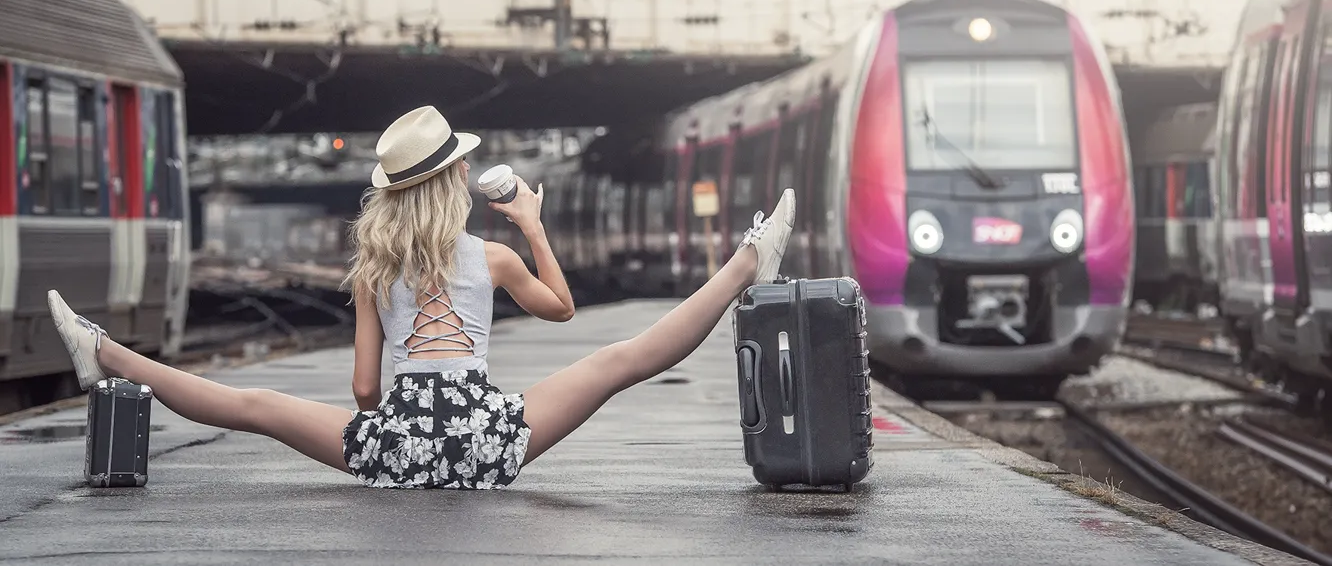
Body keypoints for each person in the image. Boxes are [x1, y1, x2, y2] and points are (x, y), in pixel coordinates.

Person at [46, 105, 796, 490]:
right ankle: (745, 264)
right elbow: (562, 309)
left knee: (252, 406)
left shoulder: (374, 268)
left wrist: (391, 431)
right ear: (457, 181)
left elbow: (367, 392)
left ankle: (104, 351)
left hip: (392, 446)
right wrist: (533, 225)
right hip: (488, 439)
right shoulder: (492, 255)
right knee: (620, 359)